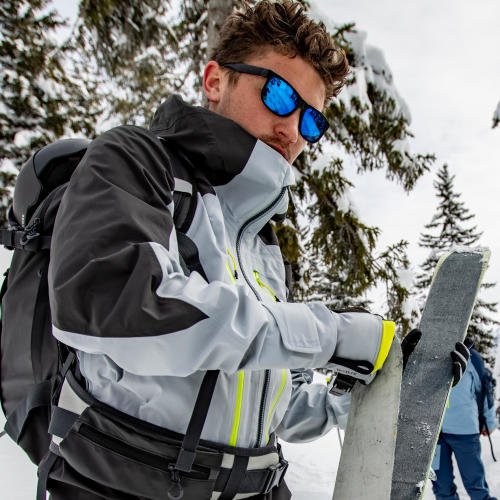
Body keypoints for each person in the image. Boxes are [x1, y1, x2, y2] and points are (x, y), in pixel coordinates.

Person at [44, 2, 467, 499]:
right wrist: (333, 336)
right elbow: (113, 304)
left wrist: (370, 396)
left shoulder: (261, 244)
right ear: (215, 80)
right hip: (129, 485)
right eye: (279, 94)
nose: (292, 129)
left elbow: (267, 400)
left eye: (312, 122)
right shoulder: (136, 161)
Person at [431, 340, 498, 500]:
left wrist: (489, 422)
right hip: (435, 433)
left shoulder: (470, 355)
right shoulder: (430, 349)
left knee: (476, 486)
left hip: (465, 432)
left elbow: (484, 390)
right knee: (442, 487)